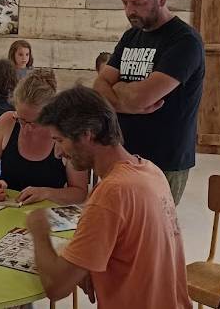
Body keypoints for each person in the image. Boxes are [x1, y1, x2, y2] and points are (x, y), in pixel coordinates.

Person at [26, 86, 190, 308]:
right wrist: (90, 265)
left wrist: (39, 231)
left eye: (60, 140)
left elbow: (56, 288)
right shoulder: (150, 171)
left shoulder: (112, 194)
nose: (58, 152)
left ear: (87, 134)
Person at [93, 0, 205, 205]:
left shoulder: (185, 42)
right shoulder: (131, 36)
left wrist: (121, 91)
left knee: (149, 234)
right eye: (125, 3)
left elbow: (139, 98)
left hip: (164, 160)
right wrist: (127, 98)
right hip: (123, 152)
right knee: (118, 230)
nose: (130, 11)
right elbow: (99, 85)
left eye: (137, 3)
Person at [0, 69, 88, 206]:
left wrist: (46, 193)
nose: (26, 128)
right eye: (21, 120)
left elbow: (79, 193)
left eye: (34, 123)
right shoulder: (8, 121)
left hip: (45, 217)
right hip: (6, 209)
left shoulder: (66, 133)